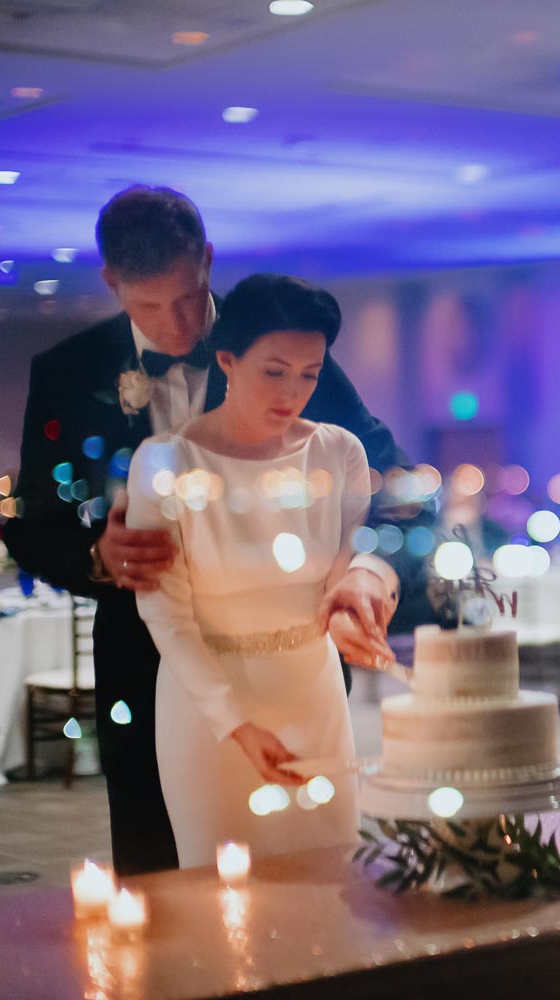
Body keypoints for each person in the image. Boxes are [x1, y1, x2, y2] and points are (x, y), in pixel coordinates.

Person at [3, 186, 423, 875]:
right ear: (111, 283)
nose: (175, 327)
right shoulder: (68, 372)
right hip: (148, 661)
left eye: (189, 297)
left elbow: (397, 490)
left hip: (298, 663)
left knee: (316, 875)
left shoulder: (279, 347)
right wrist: (99, 554)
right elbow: (31, 522)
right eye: (147, 306)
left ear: (207, 261)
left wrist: (366, 573)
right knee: (161, 874)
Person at [127, 274, 369, 865]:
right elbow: (164, 611)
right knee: (222, 897)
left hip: (314, 694)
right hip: (208, 706)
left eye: (310, 374)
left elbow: (353, 560)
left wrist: (361, 596)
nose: (293, 392)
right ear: (229, 361)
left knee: (332, 881)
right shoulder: (166, 461)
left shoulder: (339, 452)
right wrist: (235, 724)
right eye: (275, 371)